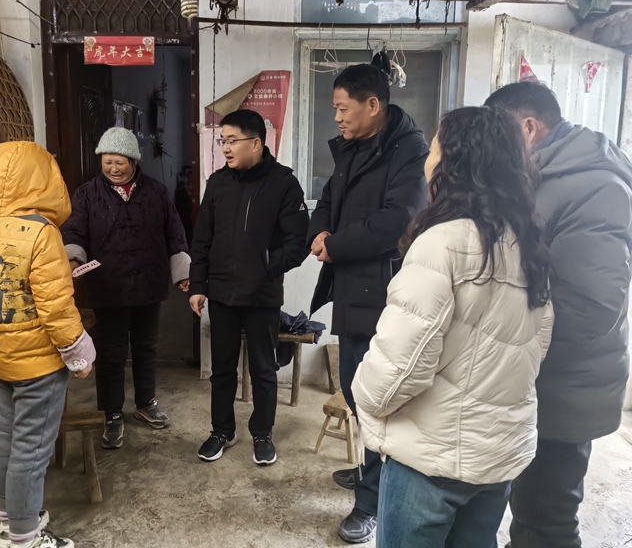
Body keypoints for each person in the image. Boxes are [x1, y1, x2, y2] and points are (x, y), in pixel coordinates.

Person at [351, 106, 553, 548]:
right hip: (496, 456)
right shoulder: (526, 242)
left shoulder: (443, 243)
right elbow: (536, 345)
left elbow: (400, 365)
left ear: (454, 162)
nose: (427, 160)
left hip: (432, 460)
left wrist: (363, 399)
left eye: (434, 149)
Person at [485, 82, 632, 548]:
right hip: (535, 380)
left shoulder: (596, 187)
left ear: (529, 128)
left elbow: (592, 308)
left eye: (500, 136)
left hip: (564, 387)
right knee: (526, 511)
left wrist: (504, 337)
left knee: (546, 520)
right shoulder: (544, 175)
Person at [307, 63, 429, 543]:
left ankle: (371, 501)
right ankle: (368, 473)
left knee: (376, 400)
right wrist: (320, 231)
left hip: (382, 294)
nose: (337, 117)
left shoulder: (409, 150)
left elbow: (399, 221)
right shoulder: (354, 147)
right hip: (352, 287)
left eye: (343, 108)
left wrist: (335, 245)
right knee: (356, 391)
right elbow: (328, 198)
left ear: (372, 105)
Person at [0, 141, 96, 548]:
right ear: (42, 181)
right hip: (39, 364)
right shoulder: (41, 233)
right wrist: (79, 355)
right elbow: (57, 309)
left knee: (6, 435)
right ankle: (24, 538)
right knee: (31, 452)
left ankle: (9, 523)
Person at [189, 109, 309, 466]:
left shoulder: (284, 184)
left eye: (232, 140)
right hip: (222, 293)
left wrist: (266, 268)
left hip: (261, 295)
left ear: (256, 143)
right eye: (222, 140)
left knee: (263, 369)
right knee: (222, 369)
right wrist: (198, 285)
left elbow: (298, 242)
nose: (225, 147)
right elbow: (202, 239)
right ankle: (222, 430)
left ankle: (262, 433)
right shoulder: (217, 184)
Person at [61, 127, 190, 450]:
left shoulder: (156, 192)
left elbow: (175, 233)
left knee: (146, 348)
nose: (113, 168)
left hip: (148, 283)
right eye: (107, 162)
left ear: (134, 161)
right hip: (108, 286)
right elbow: (74, 230)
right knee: (112, 352)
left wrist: (182, 273)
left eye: (120, 162)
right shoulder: (87, 194)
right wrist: (73, 259)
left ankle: (146, 403)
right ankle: (111, 413)